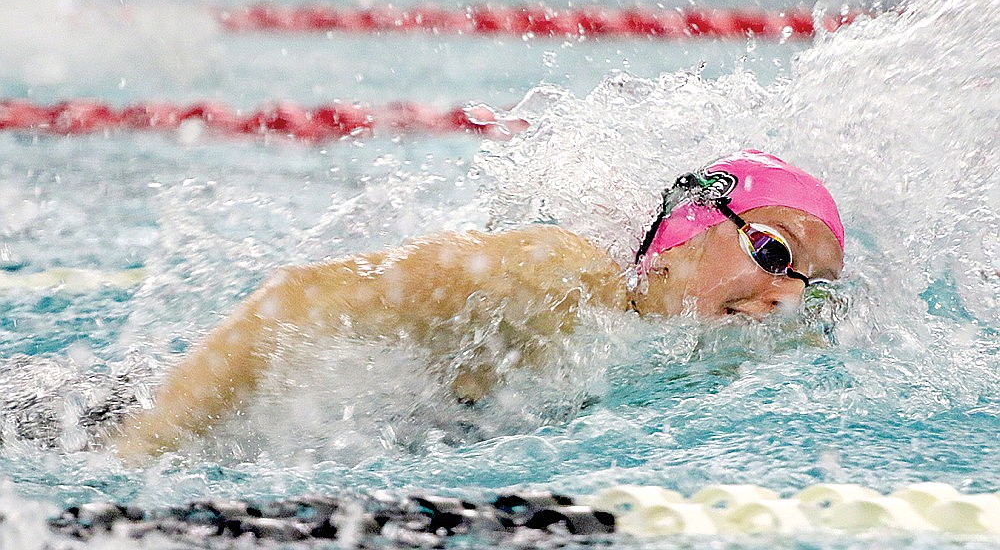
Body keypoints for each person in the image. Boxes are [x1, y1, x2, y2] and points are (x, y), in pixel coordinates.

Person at [112, 149, 844, 459]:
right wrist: (138, 458)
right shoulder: (559, 277)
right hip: (144, 418)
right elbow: (299, 298)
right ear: (689, 227)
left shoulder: (696, 355)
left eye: (808, 284)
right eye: (774, 254)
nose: (785, 297)